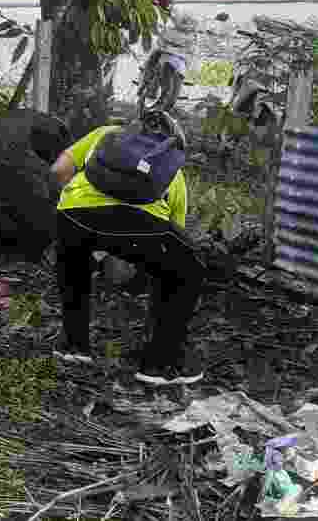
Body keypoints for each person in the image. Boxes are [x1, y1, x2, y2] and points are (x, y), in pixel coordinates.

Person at [48, 109, 208, 386]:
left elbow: (58, 171)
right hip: (136, 225)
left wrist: (79, 215)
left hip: (71, 213)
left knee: (75, 262)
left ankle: (74, 347)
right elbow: (172, 236)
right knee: (187, 267)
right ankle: (162, 363)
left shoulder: (105, 135)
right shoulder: (171, 167)